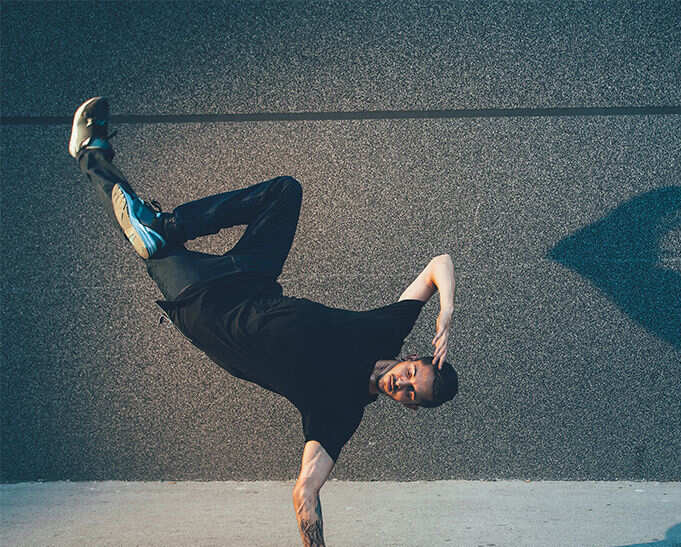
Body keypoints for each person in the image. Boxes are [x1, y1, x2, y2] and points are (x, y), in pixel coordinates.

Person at [68, 97, 459, 546]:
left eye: (410, 393)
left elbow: (305, 493)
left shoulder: (340, 413)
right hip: (251, 281)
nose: (402, 384)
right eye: (411, 374)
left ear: (409, 406)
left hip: (207, 309)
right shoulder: (386, 331)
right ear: (412, 357)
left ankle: (90, 152)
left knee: (147, 242)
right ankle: (168, 224)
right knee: (285, 192)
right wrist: (446, 311)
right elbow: (439, 264)